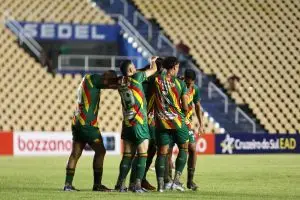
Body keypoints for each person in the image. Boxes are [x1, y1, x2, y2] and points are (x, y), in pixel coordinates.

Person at [63, 70, 118, 192]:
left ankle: (67, 185)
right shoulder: (95, 79)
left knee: (75, 154)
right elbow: (108, 83)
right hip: (87, 123)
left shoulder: (87, 80)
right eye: (109, 81)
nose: (109, 85)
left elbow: (108, 84)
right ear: (105, 77)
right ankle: (97, 185)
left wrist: (114, 84)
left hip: (77, 121)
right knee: (101, 151)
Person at [115, 57, 157, 193]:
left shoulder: (121, 82)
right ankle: (136, 185)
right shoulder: (137, 77)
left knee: (127, 155)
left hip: (127, 124)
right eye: (133, 66)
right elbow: (154, 70)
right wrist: (153, 61)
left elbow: (127, 74)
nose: (136, 68)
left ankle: (120, 184)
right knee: (142, 154)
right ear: (131, 69)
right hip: (139, 123)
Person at [153, 57, 189, 192]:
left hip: (161, 122)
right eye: (178, 67)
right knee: (184, 148)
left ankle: (160, 185)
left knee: (162, 153)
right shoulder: (180, 84)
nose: (178, 70)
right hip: (177, 122)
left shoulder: (156, 80)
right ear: (174, 67)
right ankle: (176, 181)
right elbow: (185, 107)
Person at [128, 57, 164, 191]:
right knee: (143, 150)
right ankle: (135, 181)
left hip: (146, 117)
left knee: (150, 148)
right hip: (144, 118)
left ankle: (139, 179)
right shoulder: (150, 79)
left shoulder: (142, 76)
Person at [183, 69, 204, 190]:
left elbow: (197, 106)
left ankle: (190, 181)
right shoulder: (178, 84)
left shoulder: (195, 89)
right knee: (168, 150)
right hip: (173, 121)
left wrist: (201, 124)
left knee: (193, 149)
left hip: (187, 123)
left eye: (189, 83)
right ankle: (168, 179)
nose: (187, 85)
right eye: (186, 82)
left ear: (193, 81)